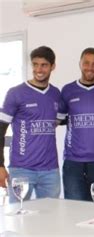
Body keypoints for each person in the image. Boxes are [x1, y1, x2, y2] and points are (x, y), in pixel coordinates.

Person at [0, 46, 61, 201]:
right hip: (21, 170)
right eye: (35, 64)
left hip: (50, 171)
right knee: (17, 218)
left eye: (44, 65)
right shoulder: (16, 93)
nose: (39, 69)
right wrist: (0, 165)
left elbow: (59, 120)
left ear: (52, 66)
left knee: (50, 218)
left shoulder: (56, 94)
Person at [57, 48, 94, 201]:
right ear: (80, 63)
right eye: (86, 63)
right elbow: (59, 119)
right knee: (75, 211)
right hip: (73, 162)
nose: (90, 67)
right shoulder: (67, 90)